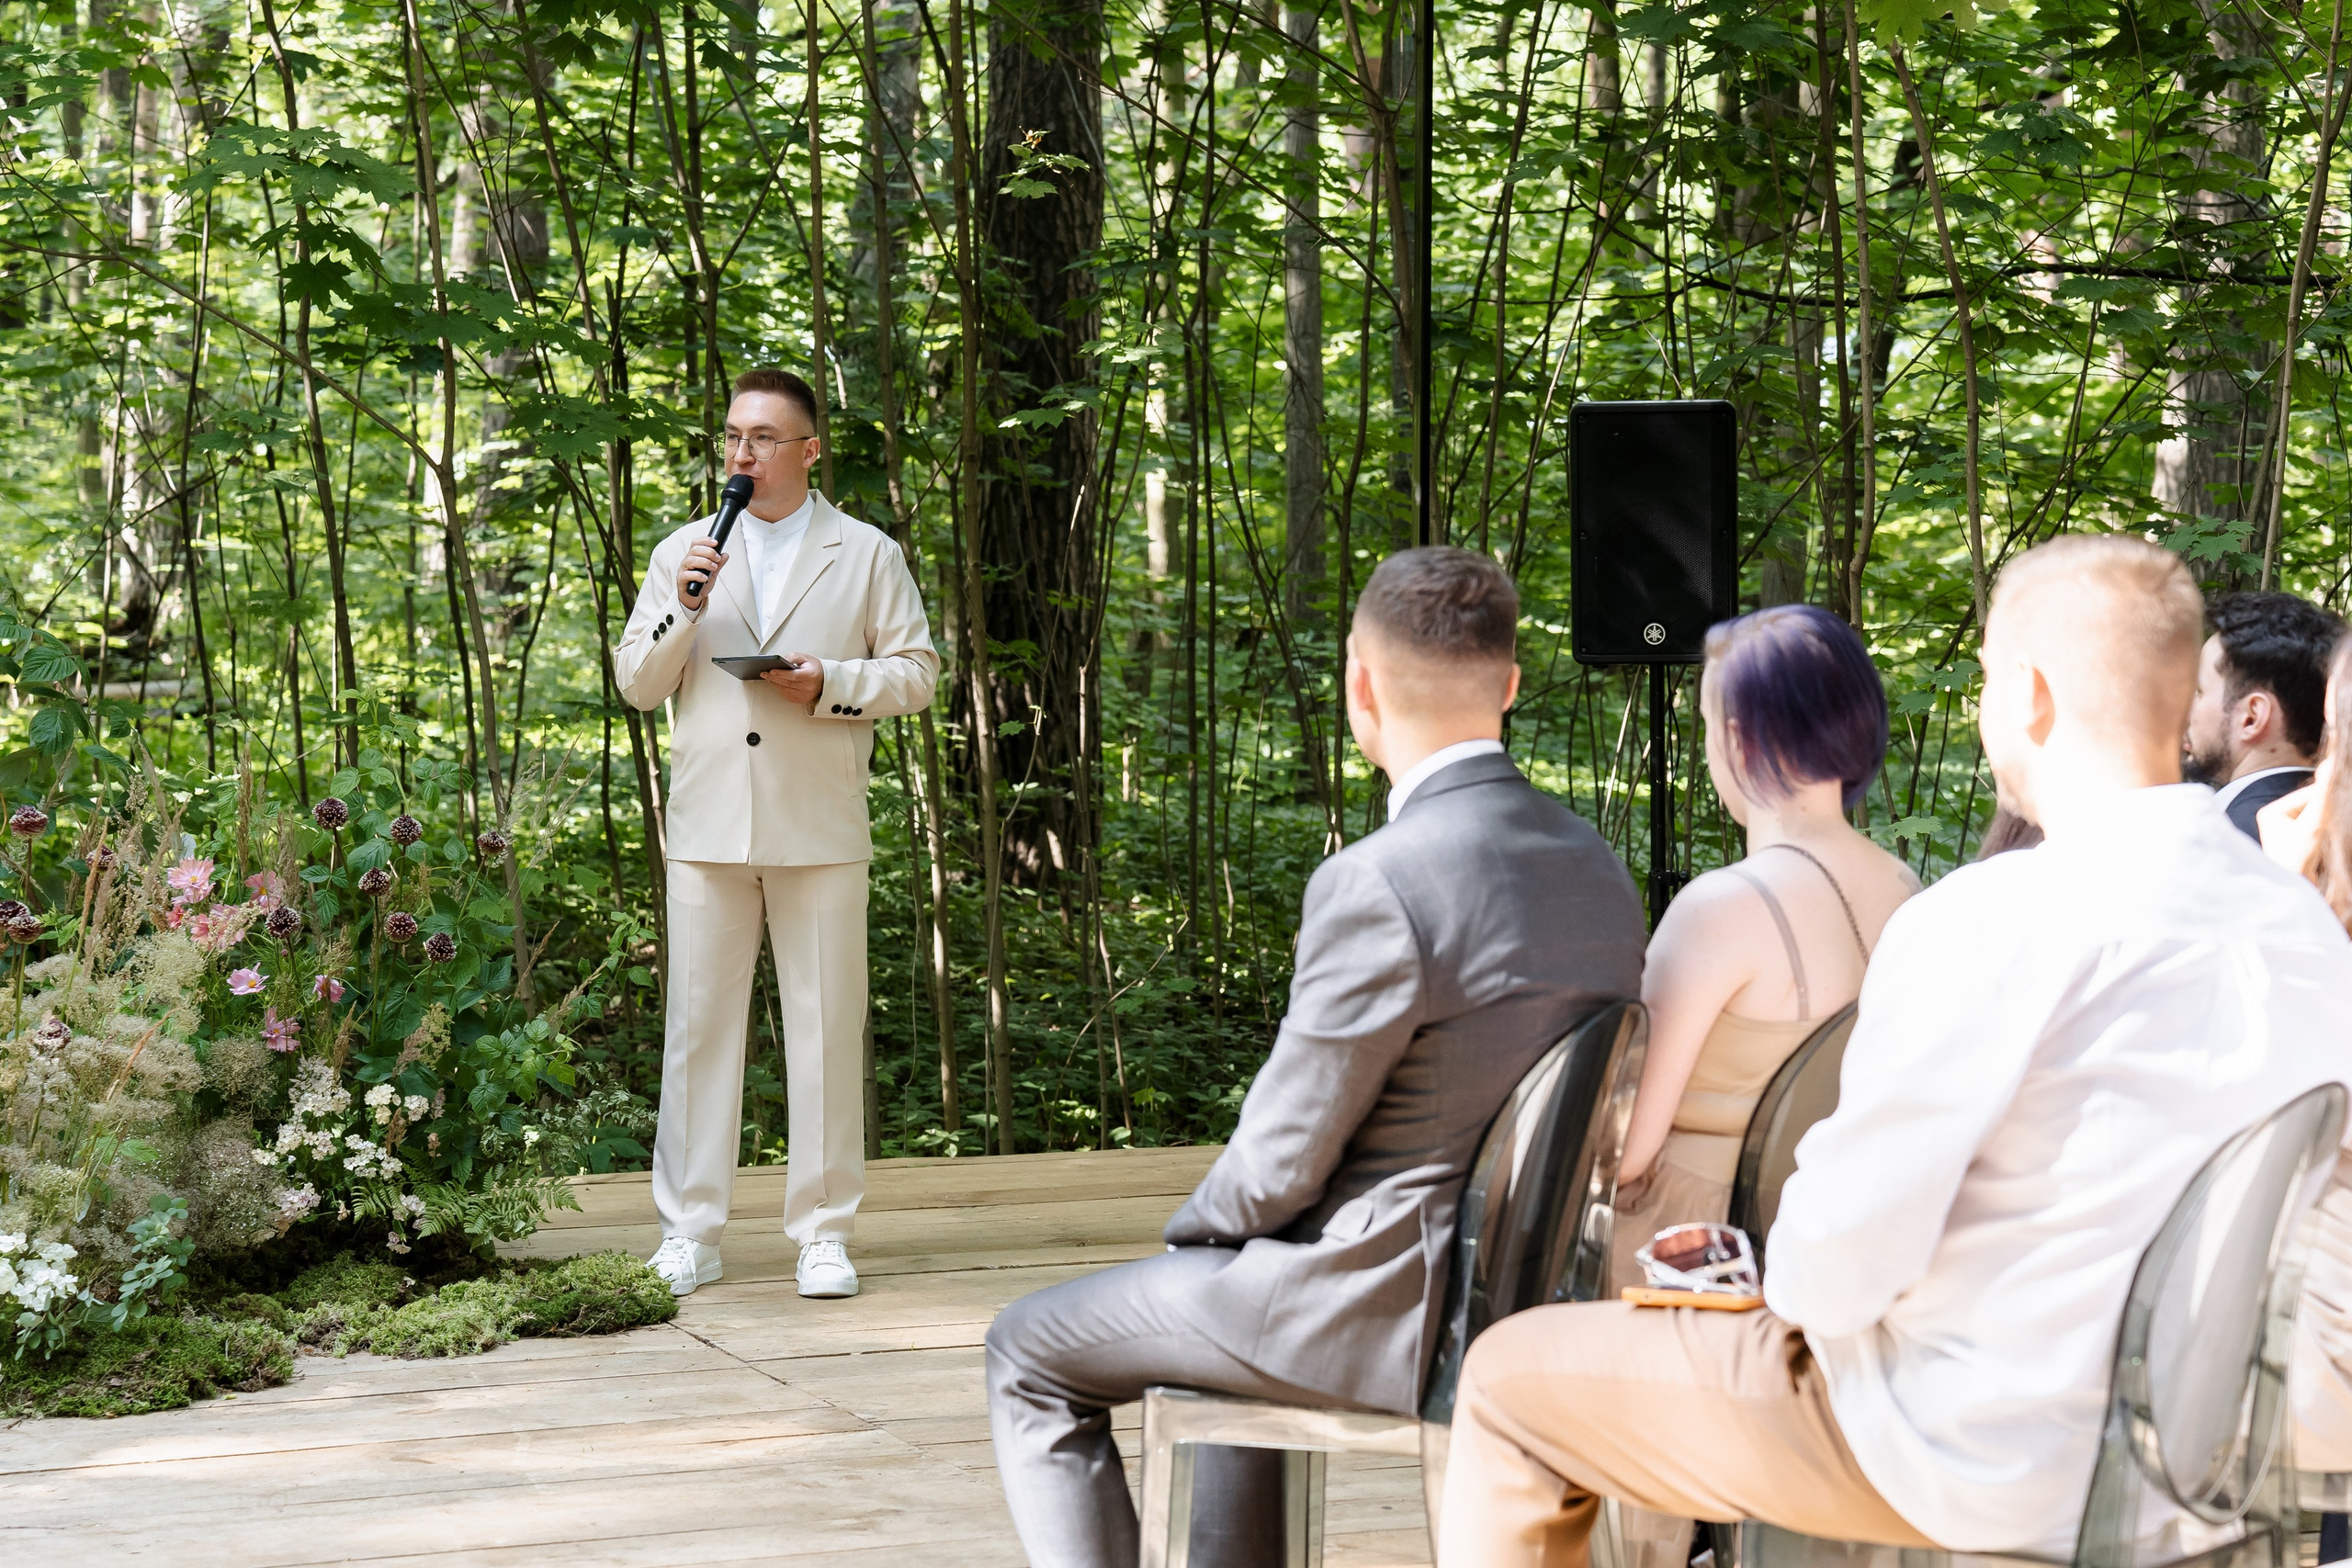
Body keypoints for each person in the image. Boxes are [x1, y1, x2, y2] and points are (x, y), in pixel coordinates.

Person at [1437, 535, 2352, 1567]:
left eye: (1987, 683)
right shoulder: (2302, 927)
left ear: (2031, 697)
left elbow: (1833, 1273)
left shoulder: (1994, 917)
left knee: (1509, 1383)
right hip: (2208, 1464)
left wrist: (1765, 1283)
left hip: (1976, 1447)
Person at [984, 547, 1645, 1568]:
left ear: (1360, 684)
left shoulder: (1379, 881)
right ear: (1511, 685)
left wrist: (1197, 1240)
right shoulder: (1596, 866)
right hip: (1530, 1295)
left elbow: (1282, 1153)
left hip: (1377, 1307)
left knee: (1027, 1351)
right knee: (1237, 1283)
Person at [614, 367, 938, 1301]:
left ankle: (824, 1232)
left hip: (819, 823)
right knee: (698, 1033)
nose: (741, 453)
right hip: (709, 828)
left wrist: (830, 679)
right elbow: (638, 682)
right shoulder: (685, 549)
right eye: (731, 436)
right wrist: (686, 605)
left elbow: (916, 672)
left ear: (809, 450)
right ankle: (689, 1232)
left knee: (828, 1031)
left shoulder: (866, 551)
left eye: (761, 437)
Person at [1607, 605, 1917, 1568]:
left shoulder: (1720, 909)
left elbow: (1629, 1147)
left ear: (1738, 737)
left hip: (1697, 1244)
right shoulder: (1907, 891)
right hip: (1831, 1225)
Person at [2182, 591, 2341, 839]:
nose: (2187, 709)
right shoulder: (2337, 830)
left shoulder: (2224, 840)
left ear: (2251, 717)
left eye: (2200, 691)